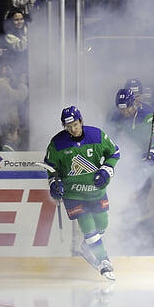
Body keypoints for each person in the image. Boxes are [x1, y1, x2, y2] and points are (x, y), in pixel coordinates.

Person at [44, 106, 120, 280]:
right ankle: (103, 261)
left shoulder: (97, 136)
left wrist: (107, 169)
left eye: (75, 124)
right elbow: (51, 168)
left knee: (102, 223)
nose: (73, 129)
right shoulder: (57, 143)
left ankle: (87, 247)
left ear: (81, 121)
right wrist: (54, 183)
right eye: (68, 126)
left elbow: (114, 153)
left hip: (96, 191)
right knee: (87, 225)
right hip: (73, 194)